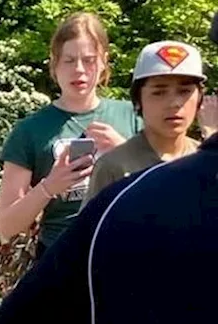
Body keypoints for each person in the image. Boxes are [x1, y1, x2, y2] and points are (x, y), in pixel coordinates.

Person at [0, 12, 141, 324]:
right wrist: (50, 186)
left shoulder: (131, 117)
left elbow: (173, 179)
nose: (79, 70)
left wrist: (126, 154)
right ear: (53, 66)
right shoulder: (31, 131)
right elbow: (6, 225)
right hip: (62, 268)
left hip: (125, 264)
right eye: (69, 60)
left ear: (105, 62)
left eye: (88, 59)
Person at [82, 41, 208, 204]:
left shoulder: (206, 162)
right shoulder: (114, 167)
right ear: (138, 100)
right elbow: (91, 228)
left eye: (185, 91)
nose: (174, 103)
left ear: (199, 97)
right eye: (159, 93)